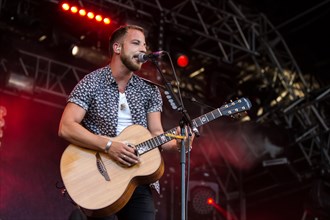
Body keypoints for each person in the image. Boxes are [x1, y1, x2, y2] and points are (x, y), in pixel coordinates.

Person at [58, 24, 194, 220]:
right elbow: (66, 127)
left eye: (145, 46)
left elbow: (156, 133)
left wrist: (180, 144)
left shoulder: (150, 90)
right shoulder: (91, 82)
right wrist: (109, 145)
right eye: (136, 43)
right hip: (99, 176)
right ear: (117, 48)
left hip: (137, 178)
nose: (143, 50)